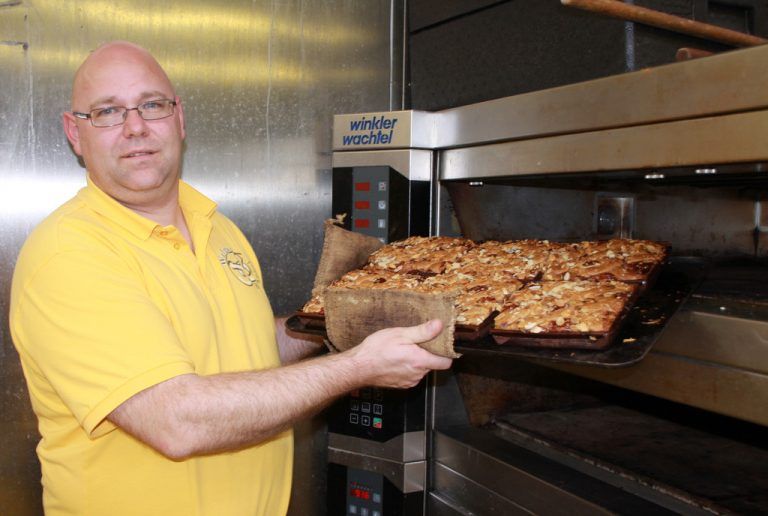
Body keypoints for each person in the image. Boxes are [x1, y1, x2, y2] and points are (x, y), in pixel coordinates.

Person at [9, 40, 453, 516]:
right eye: (107, 112)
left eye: (152, 105)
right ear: (74, 133)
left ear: (180, 118)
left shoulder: (217, 227)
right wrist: (357, 367)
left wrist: (341, 319)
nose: (135, 127)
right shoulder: (70, 253)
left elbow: (248, 349)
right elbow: (177, 421)